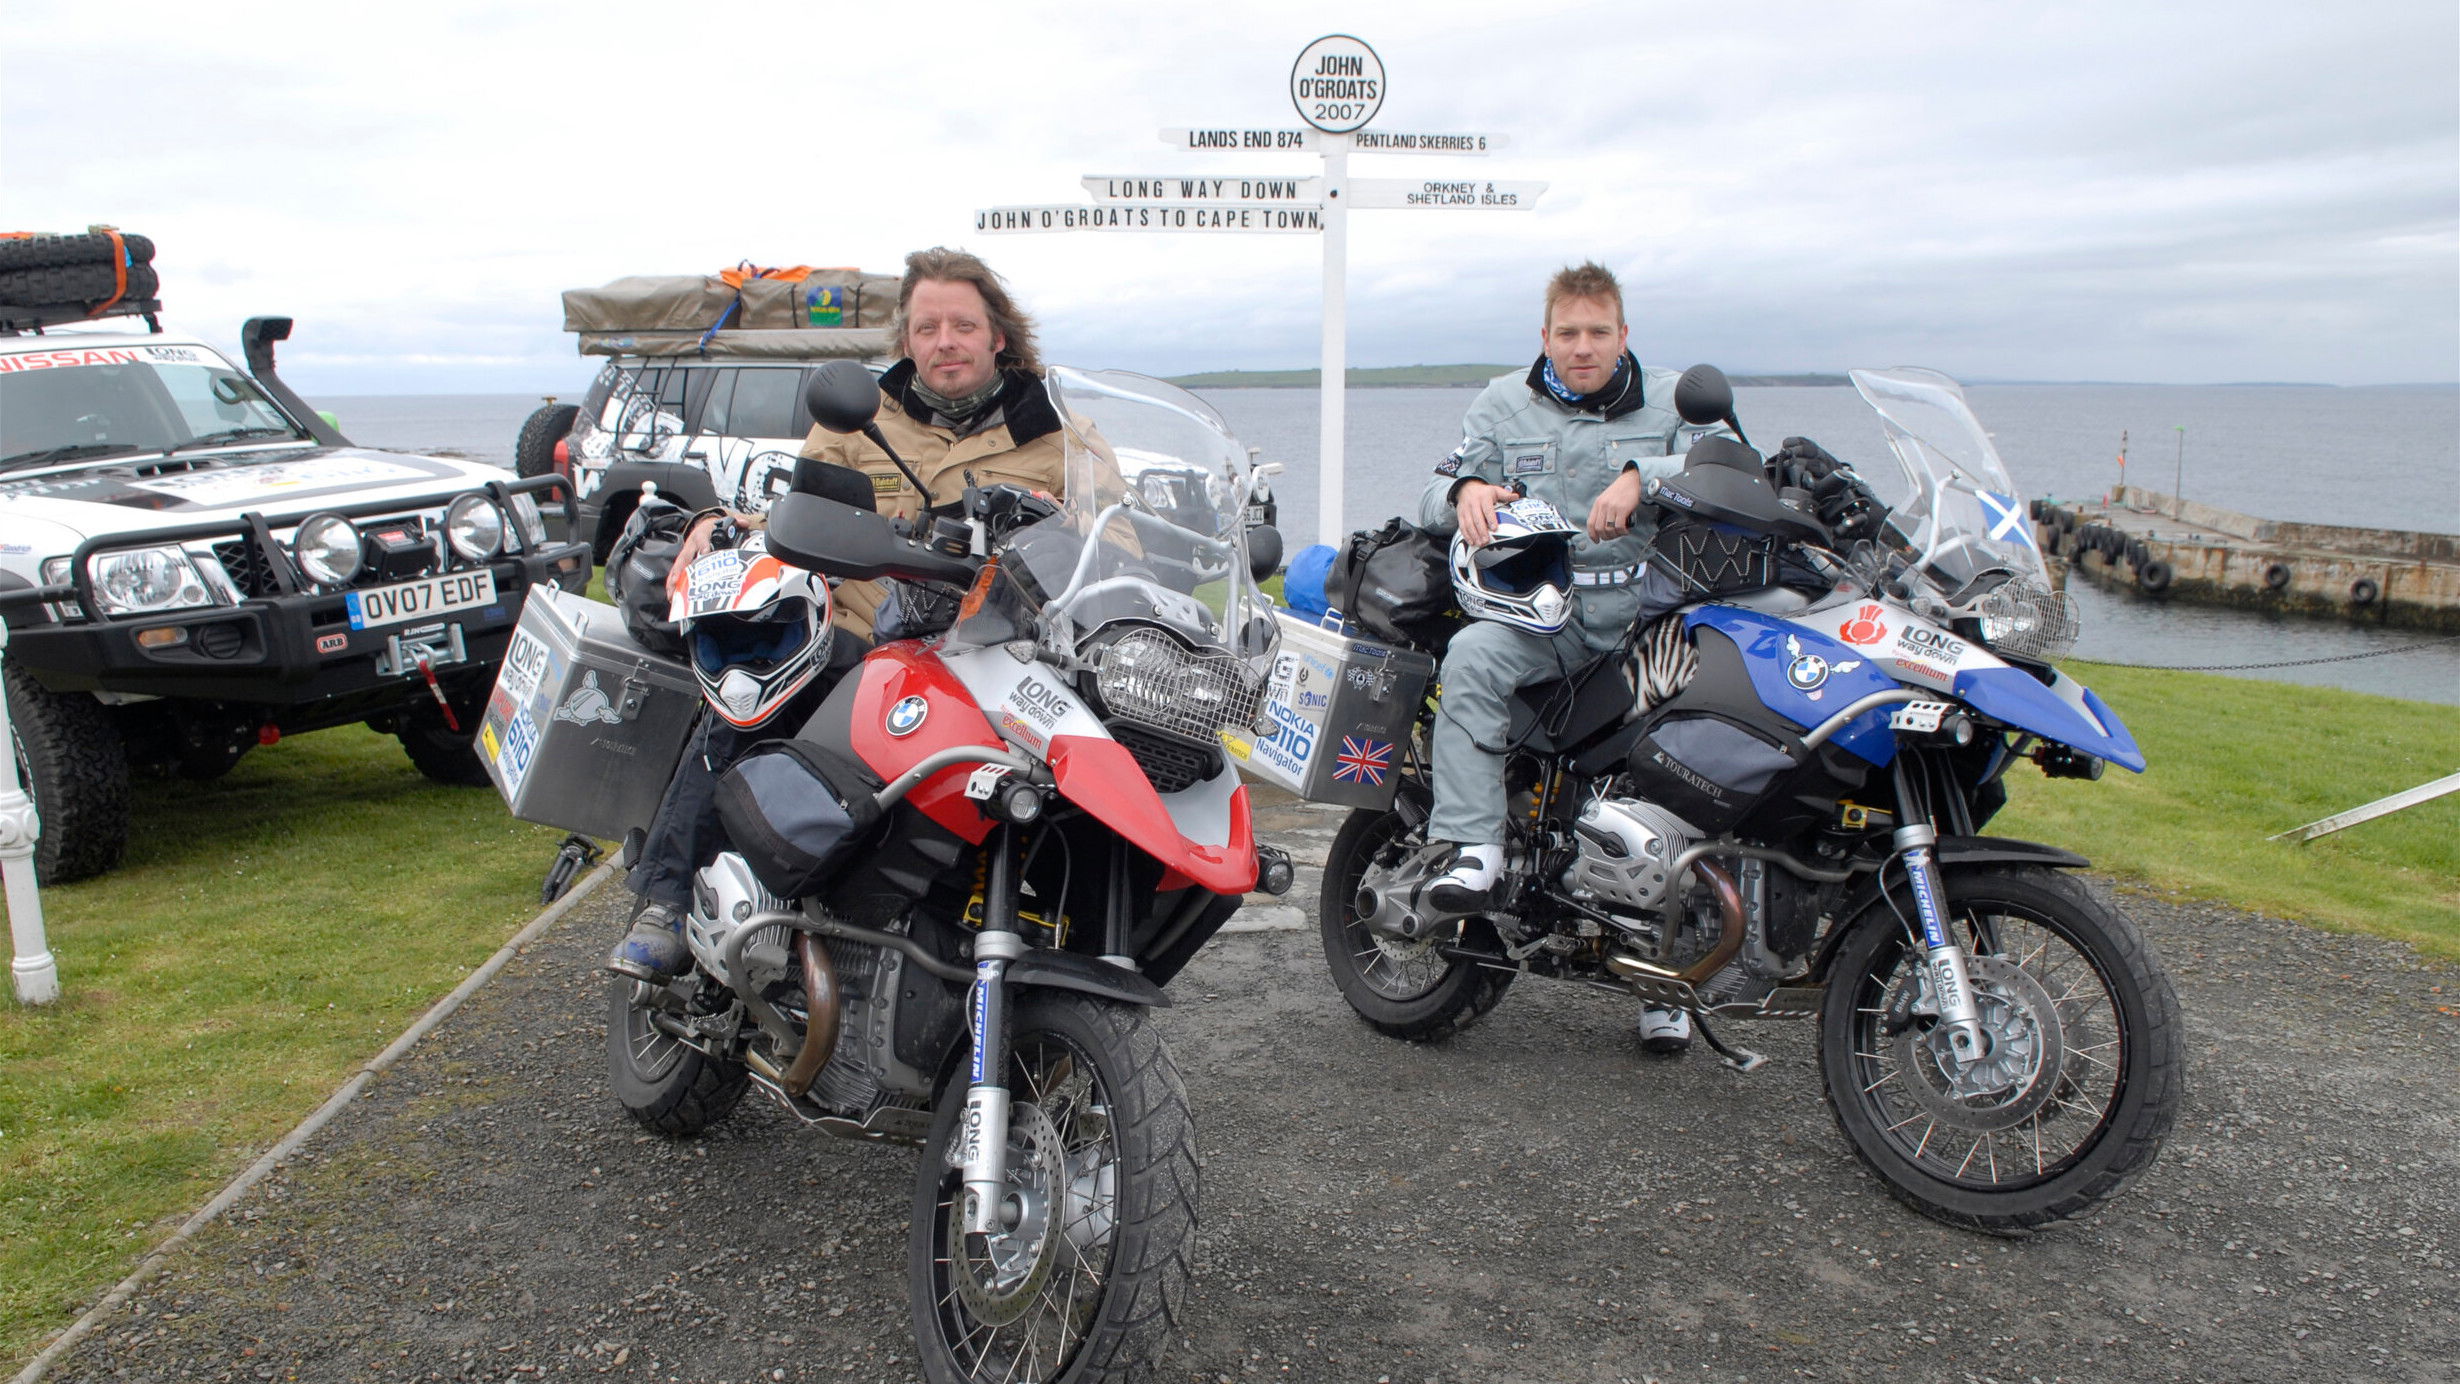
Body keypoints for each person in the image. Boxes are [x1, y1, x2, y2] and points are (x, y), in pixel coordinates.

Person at [606, 246, 1070, 980]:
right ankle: (665, 898)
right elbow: (798, 512)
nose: (944, 342)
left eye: (963, 325)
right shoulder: (862, 417)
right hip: (859, 645)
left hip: (993, 657)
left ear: (998, 336)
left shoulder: (1054, 431)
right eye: (926, 328)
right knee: (751, 685)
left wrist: (1076, 536)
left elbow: (1122, 537)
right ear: (907, 339)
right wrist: (725, 522)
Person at [1411, 261, 1711, 1054]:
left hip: (1651, 626)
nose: (1584, 348)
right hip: (1546, 618)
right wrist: (1467, 492)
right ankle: (1474, 849)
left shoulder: (1675, 402)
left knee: (1676, 773)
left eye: (1598, 333)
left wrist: (1645, 477)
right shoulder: (1501, 403)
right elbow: (1431, 493)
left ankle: (1665, 981)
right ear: (1545, 337)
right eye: (1569, 333)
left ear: (1623, 335)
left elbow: (1728, 466)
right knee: (1473, 657)